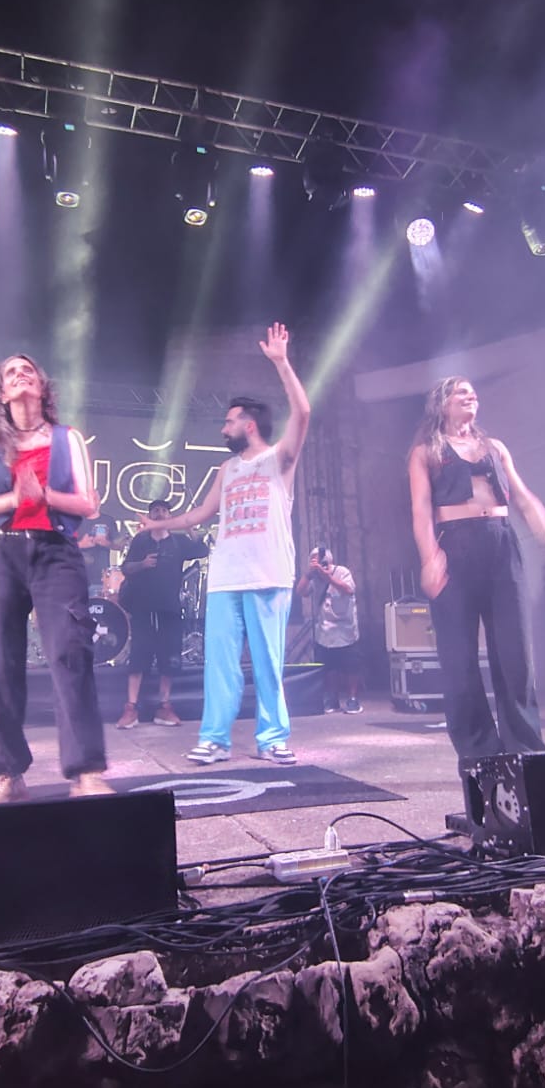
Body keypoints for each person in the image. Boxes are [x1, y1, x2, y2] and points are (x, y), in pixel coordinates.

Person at [149, 323, 310, 766]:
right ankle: (214, 739)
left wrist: (281, 363)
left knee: (268, 663)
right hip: (225, 577)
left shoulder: (279, 459)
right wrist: (157, 525)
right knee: (218, 664)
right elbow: (200, 515)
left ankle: (272, 738)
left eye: (229, 421)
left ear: (249, 424)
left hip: (268, 573)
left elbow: (303, 412)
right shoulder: (227, 469)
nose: (224, 427)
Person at [0, 353, 113, 802]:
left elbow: (88, 504)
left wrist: (43, 495)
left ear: (42, 388)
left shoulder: (68, 438)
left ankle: (86, 771)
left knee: (70, 653)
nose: (20, 374)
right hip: (3, 550)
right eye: (11, 372)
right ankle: (8, 773)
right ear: (2, 392)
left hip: (56, 551)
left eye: (27, 370)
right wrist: (15, 497)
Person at [407, 376, 545, 765]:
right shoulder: (426, 452)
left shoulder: (495, 448)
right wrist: (430, 556)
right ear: (442, 404)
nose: (470, 396)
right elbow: (420, 509)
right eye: (460, 392)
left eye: (472, 392)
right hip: (454, 547)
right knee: (459, 656)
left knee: (515, 652)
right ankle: (478, 750)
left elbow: (524, 499)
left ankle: (524, 745)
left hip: (501, 545)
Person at [115, 498, 209, 729]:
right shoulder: (140, 540)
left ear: (170, 516)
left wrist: (189, 527)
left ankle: (164, 706)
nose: (160, 513)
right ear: (149, 515)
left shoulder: (178, 542)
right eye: (155, 510)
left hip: (169, 607)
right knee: (139, 655)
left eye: (164, 510)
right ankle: (131, 708)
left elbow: (202, 550)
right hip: (142, 606)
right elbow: (126, 568)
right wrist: (142, 564)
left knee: (170, 657)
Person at [297, 544, 362, 715]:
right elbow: (301, 591)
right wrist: (308, 574)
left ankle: (353, 698)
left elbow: (349, 589)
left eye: (318, 560)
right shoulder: (314, 578)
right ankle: (333, 698)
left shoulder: (342, 572)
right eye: (312, 561)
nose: (316, 563)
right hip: (325, 630)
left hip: (345, 627)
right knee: (330, 667)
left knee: (351, 666)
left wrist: (328, 578)